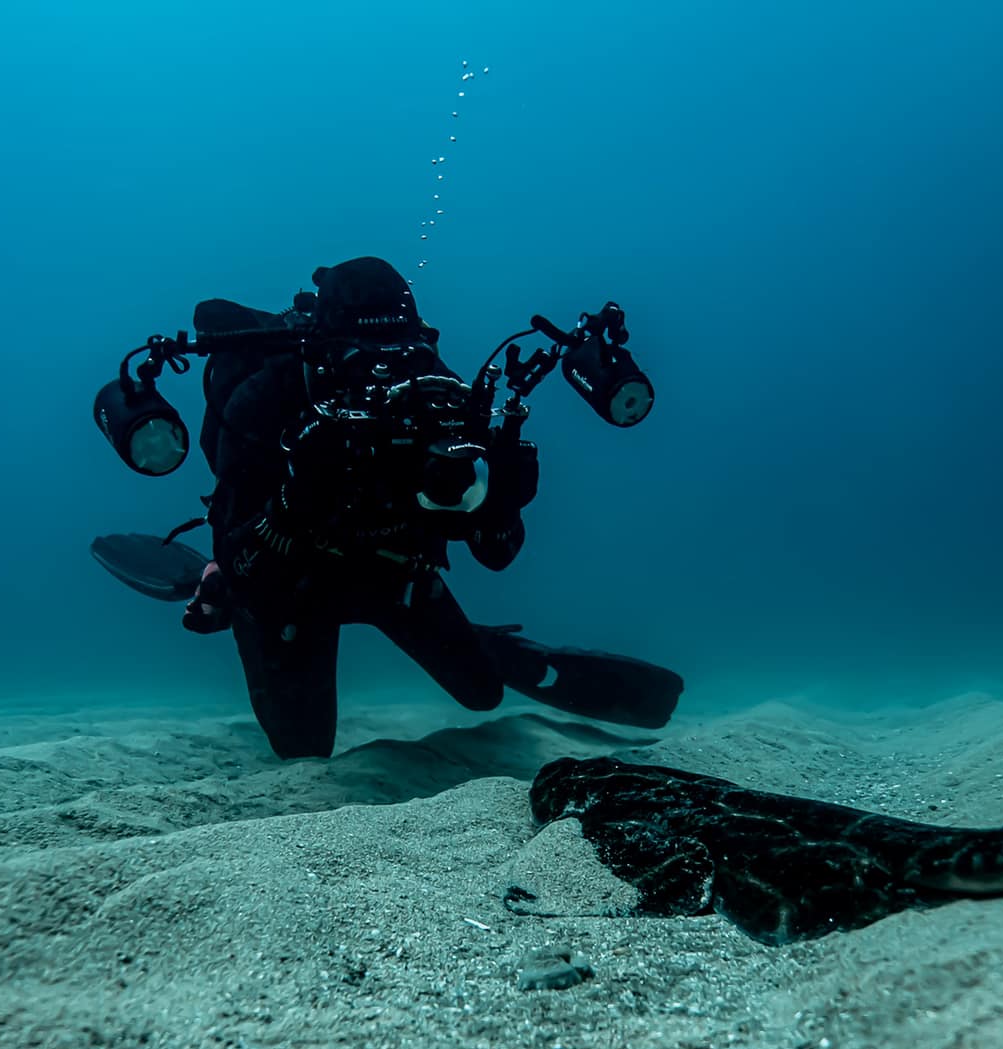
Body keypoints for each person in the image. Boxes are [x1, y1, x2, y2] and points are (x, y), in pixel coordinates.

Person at [91, 254, 680, 758]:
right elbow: (246, 556)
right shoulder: (265, 398)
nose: (386, 370)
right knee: (303, 751)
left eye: (400, 349)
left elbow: (495, 555)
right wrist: (296, 500)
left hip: (394, 570)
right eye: (362, 350)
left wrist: (502, 499)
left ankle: (492, 652)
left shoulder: (442, 396)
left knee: (482, 693)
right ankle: (208, 582)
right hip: (287, 581)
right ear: (321, 346)